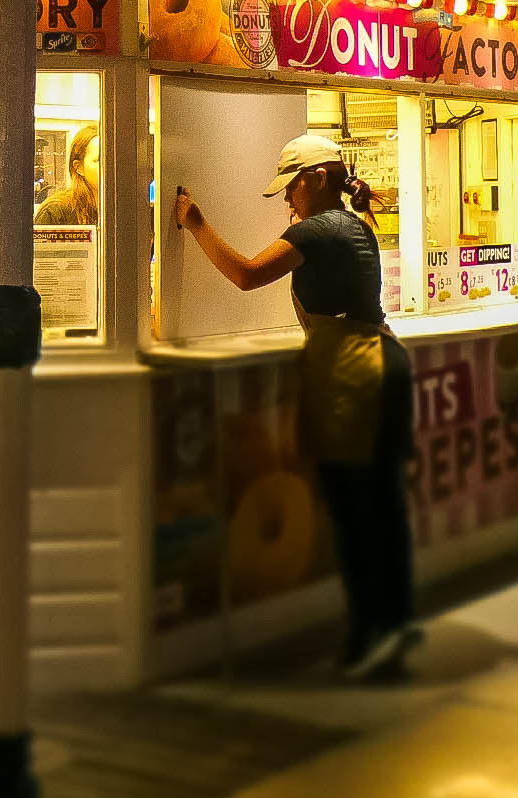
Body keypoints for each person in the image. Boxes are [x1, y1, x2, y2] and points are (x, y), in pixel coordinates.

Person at [174, 134, 419, 680]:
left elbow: (245, 274)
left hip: (354, 373)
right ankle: (395, 621)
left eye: (291, 188)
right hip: (384, 359)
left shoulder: (316, 229)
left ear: (313, 180)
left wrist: (195, 223)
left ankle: (368, 637)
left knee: (354, 514)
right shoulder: (356, 224)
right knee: (382, 508)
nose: (288, 201)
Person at [35, 124, 99, 225]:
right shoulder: (57, 212)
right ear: (79, 167)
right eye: (99, 160)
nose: (108, 166)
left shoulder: (126, 208)